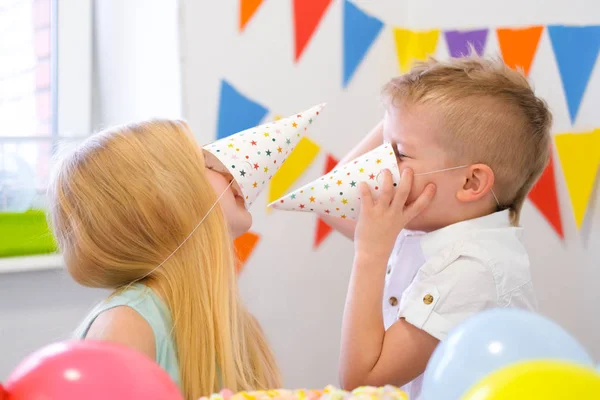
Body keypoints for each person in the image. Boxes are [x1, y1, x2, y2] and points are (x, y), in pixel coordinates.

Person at [328, 55, 552, 399]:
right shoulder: (426, 227)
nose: (381, 165)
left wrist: (370, 254)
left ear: (471, 182)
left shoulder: (472, 270)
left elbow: (362, 379)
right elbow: (330, 201)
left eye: (398, 153)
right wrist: (397, 119)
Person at [47, 120, 281, 400]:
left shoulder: (242, 325)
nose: (228, 168)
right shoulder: (126, 326)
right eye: (205, 163)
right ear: (163, 201)